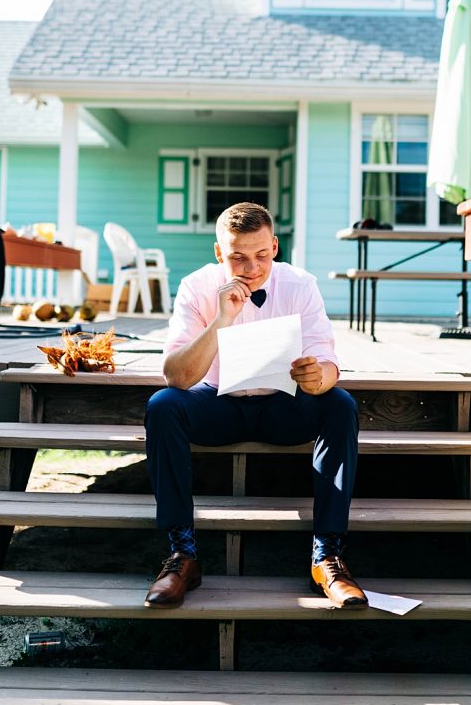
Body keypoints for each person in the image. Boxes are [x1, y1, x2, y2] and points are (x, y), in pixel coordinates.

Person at [143, 201, 367, 609]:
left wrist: (320, 376)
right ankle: (182, 555)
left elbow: (327, 358)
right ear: (218, 254)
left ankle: (327, 556)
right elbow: (176, 375)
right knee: (162, 405)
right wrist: (220, 320)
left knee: (340, 404)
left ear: (276, 247)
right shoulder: (196, 286)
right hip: (217, 403)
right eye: (238, 257)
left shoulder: (300, 284)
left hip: (282, 406)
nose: (251, 268)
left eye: (261, 255)